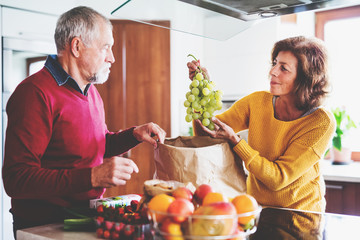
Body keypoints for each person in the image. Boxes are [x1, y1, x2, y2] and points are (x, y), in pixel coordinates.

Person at [2, 6, 166, 235]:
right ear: (77, 46)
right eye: (105, 47)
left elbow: (94, 145)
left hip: (84, 216)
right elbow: (16, 179)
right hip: (43, 226)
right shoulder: (34, 94)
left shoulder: (90, 92)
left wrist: (133, 135)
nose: (112, 57)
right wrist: (93, 176)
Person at [187, 36, 335, 213]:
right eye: (275, 63)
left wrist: (236, 142)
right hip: (257, 209)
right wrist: (204, 93)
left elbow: (278, 179)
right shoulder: (257, 101)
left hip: (302, 215)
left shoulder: (320, 122)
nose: (273, 71)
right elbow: (206, 135)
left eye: (283, 68)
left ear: (305, 78)